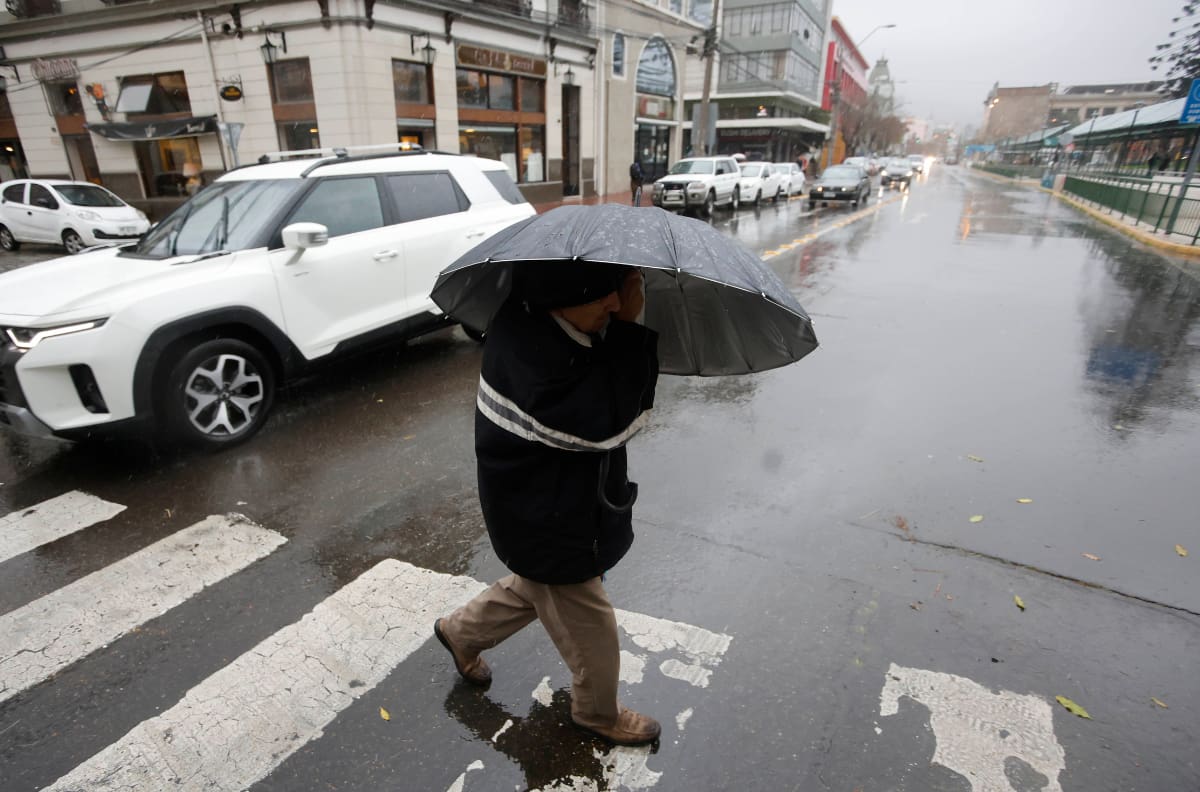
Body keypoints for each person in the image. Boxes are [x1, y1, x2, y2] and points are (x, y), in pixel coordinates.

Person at [434, 261, 661, 747]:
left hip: (552, 506)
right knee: (588, 620)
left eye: (618, 289)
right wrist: (627, 331)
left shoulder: (541, 320)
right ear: (557, 296)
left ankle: (461, 633)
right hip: (548, 519)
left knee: (537, 587)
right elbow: (609, 422)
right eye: (601, 294)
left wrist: (613, 324)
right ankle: (597, 713)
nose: (616, 303)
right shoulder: (533, 361)